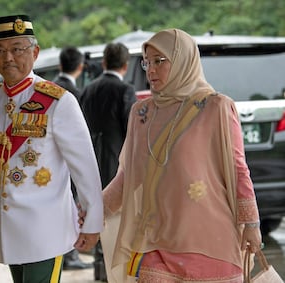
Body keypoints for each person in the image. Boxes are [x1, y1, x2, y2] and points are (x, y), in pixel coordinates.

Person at [101, 28, 262, 282]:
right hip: (156, 241)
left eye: (159, 61)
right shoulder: (141, 114)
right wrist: (89, 213)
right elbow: (130, 177)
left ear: (182, 61)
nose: (150, 70)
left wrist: (252, 224)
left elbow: (238, 168)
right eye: (147, 62)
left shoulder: (216, 107)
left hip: (211, 241)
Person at [0, 14, 103, 283]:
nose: (8, 57)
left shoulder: (59, 101)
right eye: (0, 51)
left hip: (47, 229)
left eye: (17, 49)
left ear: (35, 52)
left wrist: (93, 222)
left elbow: (84, 168)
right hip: (8, 231)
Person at [80, 42, 137, 281]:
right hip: (117, 166)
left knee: (96, 214)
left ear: (104, 63)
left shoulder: (88, 89)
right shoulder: (126, 90)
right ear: (125, 65)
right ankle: (112, 272)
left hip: (90, 162)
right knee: (117, 222)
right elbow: (132, 133)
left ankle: (98, 268)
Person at [52, 46, 92, 270]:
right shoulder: (71, 94)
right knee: (70, 206)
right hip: (67, 159)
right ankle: (69, 254)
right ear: (80, 67)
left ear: (60, 65)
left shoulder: (50, 87)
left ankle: (64, 253)